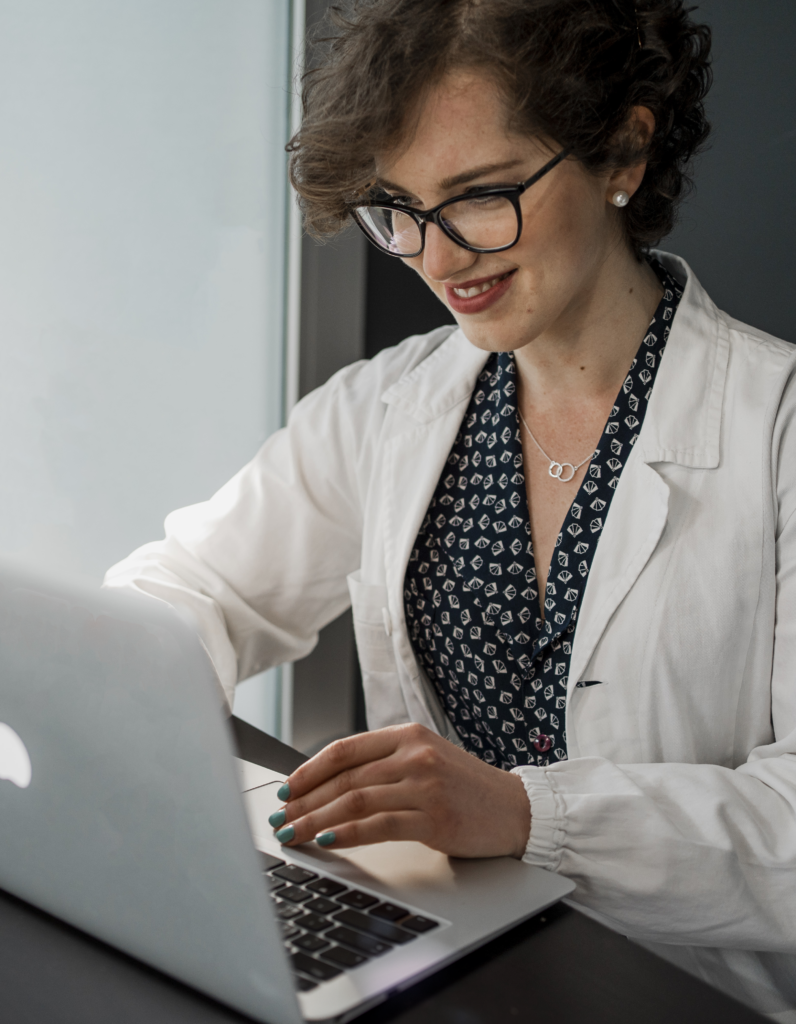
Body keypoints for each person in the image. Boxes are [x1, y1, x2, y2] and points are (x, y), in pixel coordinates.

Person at [105, 1, 796, 1019]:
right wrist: (121, 697)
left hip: (679, 987)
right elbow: (195, 585)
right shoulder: (392, 403)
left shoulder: (776, 430)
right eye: (399, 208)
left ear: (623, 151)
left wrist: (524, 813)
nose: (437, 256)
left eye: (479, 195)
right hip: (453, 955)